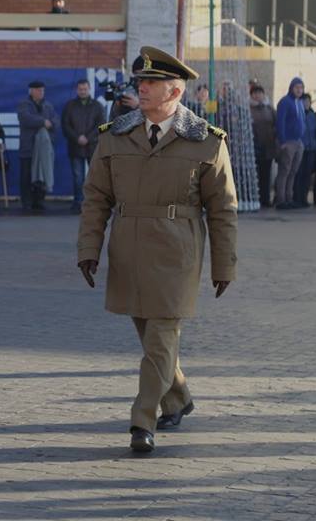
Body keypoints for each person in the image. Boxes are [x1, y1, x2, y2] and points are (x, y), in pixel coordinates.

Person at [77, 46, 237, 453]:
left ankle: (142, 419)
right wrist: (88, 248)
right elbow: (96, 198)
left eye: (151, 83)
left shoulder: (206, 142)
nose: (142, 89)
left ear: (175, 92)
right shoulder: (114, 137)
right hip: (128, 249)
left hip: (178, 250)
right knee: (152, 337)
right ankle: (179, 396)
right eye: (140, 82)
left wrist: (225, 264)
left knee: (162, 335)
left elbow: (223, 210)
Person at [61, 79, 106, 213]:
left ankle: (94, 203)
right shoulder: (69, 106)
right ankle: (78, 202)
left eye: (85, 89)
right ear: (77, 90)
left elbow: (102, 125)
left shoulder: (97, 106)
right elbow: (65, 125)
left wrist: (88, 137)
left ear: (89, 89)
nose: (82, 91)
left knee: (94, 177)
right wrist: (77, 137)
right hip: (75, 147)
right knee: (78, 177)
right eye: (80, 89)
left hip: (92, 147)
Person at [17, 80, 59, 211]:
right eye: (38, 90)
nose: (41, 92)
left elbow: (56, 121)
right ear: (32, 91)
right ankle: (27, 201)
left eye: (42, 90)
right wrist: (43, 122)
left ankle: (39, 200)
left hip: (44, 149)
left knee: (43, 173)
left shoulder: (48, 105)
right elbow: (25, 118)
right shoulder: (24, 105)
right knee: (27, 176)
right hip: (29, 147)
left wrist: (51, 123)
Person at [274, 78, 306, 209]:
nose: (299, 90)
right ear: (291, 88)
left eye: (301, 88)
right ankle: (280, 199)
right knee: (284, 171)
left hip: (298, 141)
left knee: (293, 171)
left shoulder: (299, 103)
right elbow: (280, 121)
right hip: (288, 141)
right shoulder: (285, 102)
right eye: (297, 87)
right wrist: (283, 141)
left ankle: (289, 197)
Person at [249, 84, 276, 207]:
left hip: (268, 146)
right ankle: (256, 199)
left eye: (259, 93)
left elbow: (276, 124)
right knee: (256, 175)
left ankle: (266, 199)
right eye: (255, 93)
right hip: (254, 146)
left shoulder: (269, 108)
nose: (257, 95)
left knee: (266, 174)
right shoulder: (248, 109)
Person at [293, 93, 316, 207]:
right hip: (300, 148)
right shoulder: (297, 115)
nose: (306, 104)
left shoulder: (313, 115)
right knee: (298, 173)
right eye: (304, 101)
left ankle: (304, 198)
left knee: (307, 174)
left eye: (308, 101)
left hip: (311, 149)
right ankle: (297, 198)